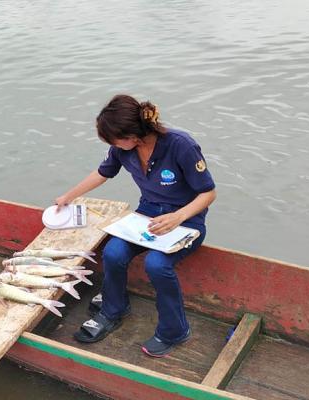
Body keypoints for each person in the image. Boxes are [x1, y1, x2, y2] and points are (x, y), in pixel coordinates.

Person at [56, 94, 216, 357]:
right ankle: (113, 309)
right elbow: (102, 173)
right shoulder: (123, 149)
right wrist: (68, 197)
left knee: (157, 264)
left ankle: (175, 331)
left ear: (133, 135)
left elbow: (208, 193)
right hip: (147, 214)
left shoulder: (181, 145)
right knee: (113, 252)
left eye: (113, 139)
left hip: (187, 221)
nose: (112, 145)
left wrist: (178, 217)